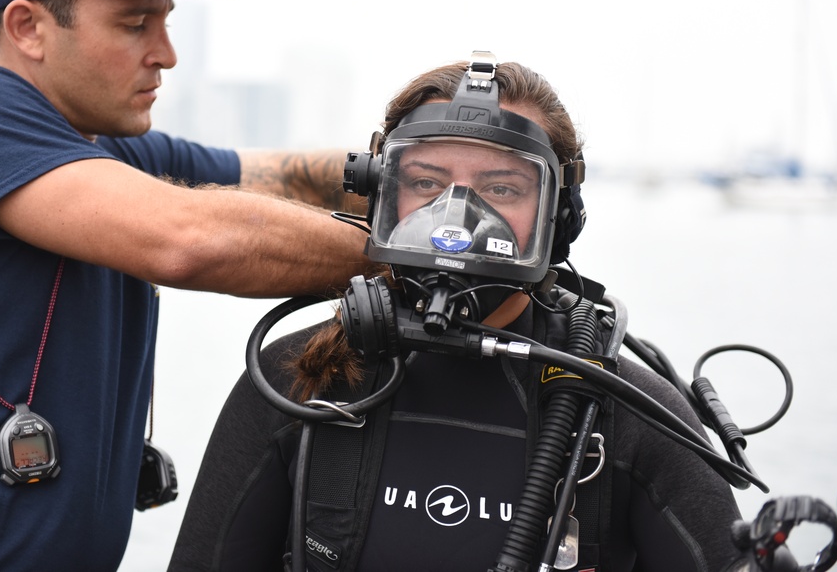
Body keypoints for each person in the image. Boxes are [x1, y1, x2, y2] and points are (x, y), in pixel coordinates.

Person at [0, 0, 372, 571]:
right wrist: (419, 262)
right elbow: (188, 238)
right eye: (134, 24)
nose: (167, 53)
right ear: (28, 27)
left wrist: (423, 172)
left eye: (168, 22)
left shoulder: (120, 152)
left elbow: (280, 179)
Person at [169, 54, 750, 572]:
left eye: (500, 189)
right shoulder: (294, 380)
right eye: (425, 182)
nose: (455, 222)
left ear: (559, 218)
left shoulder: (625, 415)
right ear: (383, 196)